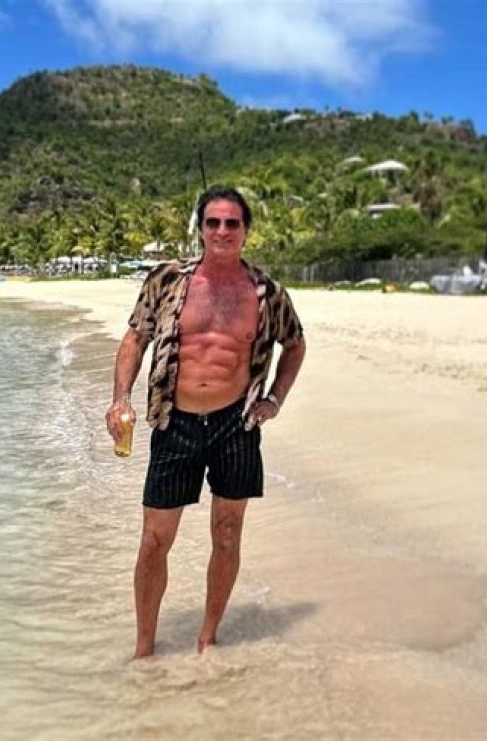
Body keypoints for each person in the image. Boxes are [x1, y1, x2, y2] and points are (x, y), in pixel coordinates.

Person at [106, 185, 306, 658]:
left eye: (232, 223)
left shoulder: (267, 293)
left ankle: (207, 638)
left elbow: (295, 345)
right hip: (174, 423)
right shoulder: (167, 281)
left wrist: (274, 400)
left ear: (246, 230)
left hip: (236, 424)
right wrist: (120, 400)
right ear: (200, 229)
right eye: (213, 222)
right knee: (154, 540)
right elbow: (135, 339)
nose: (222, 231)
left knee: (228, 534)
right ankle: (144, 649)